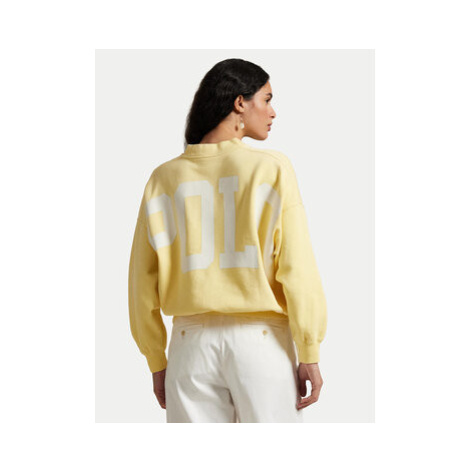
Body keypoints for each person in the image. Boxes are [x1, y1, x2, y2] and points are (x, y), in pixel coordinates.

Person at [128, 58, 328, 423]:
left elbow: (141, 281)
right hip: (261, 345)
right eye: (266, 99)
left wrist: (156, 359)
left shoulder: (163, 178)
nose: (273, 112)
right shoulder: (271, 168)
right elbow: (297, 268)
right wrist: (309, 350)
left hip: (189, 348)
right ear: (240, 102)